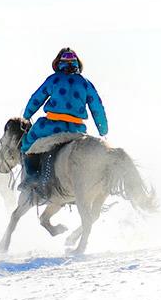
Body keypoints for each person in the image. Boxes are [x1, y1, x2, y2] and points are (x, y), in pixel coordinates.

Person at [19, 48, 108, 192]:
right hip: (76, 129)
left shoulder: (54, 79)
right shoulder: (85, 83)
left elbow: (37, 98)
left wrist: (27, 115)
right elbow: (97, 107)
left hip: (51, 126)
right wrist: (103, 129)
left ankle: (32, 177)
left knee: (28, 144)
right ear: (77, 63)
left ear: (58, 63)